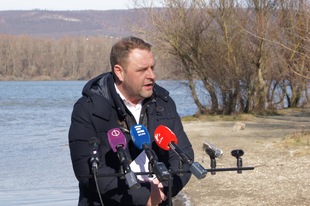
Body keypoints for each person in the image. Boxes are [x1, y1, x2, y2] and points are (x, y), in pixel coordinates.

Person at [69, 36, 194, 206]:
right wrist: (143, 196)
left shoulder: (164, 102)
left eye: (152, 68)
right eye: (142, 70)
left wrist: (164, 188)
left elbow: (182, 154)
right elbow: (86, 169)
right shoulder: (88, 108)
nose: (151, 75)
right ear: (119, 72)